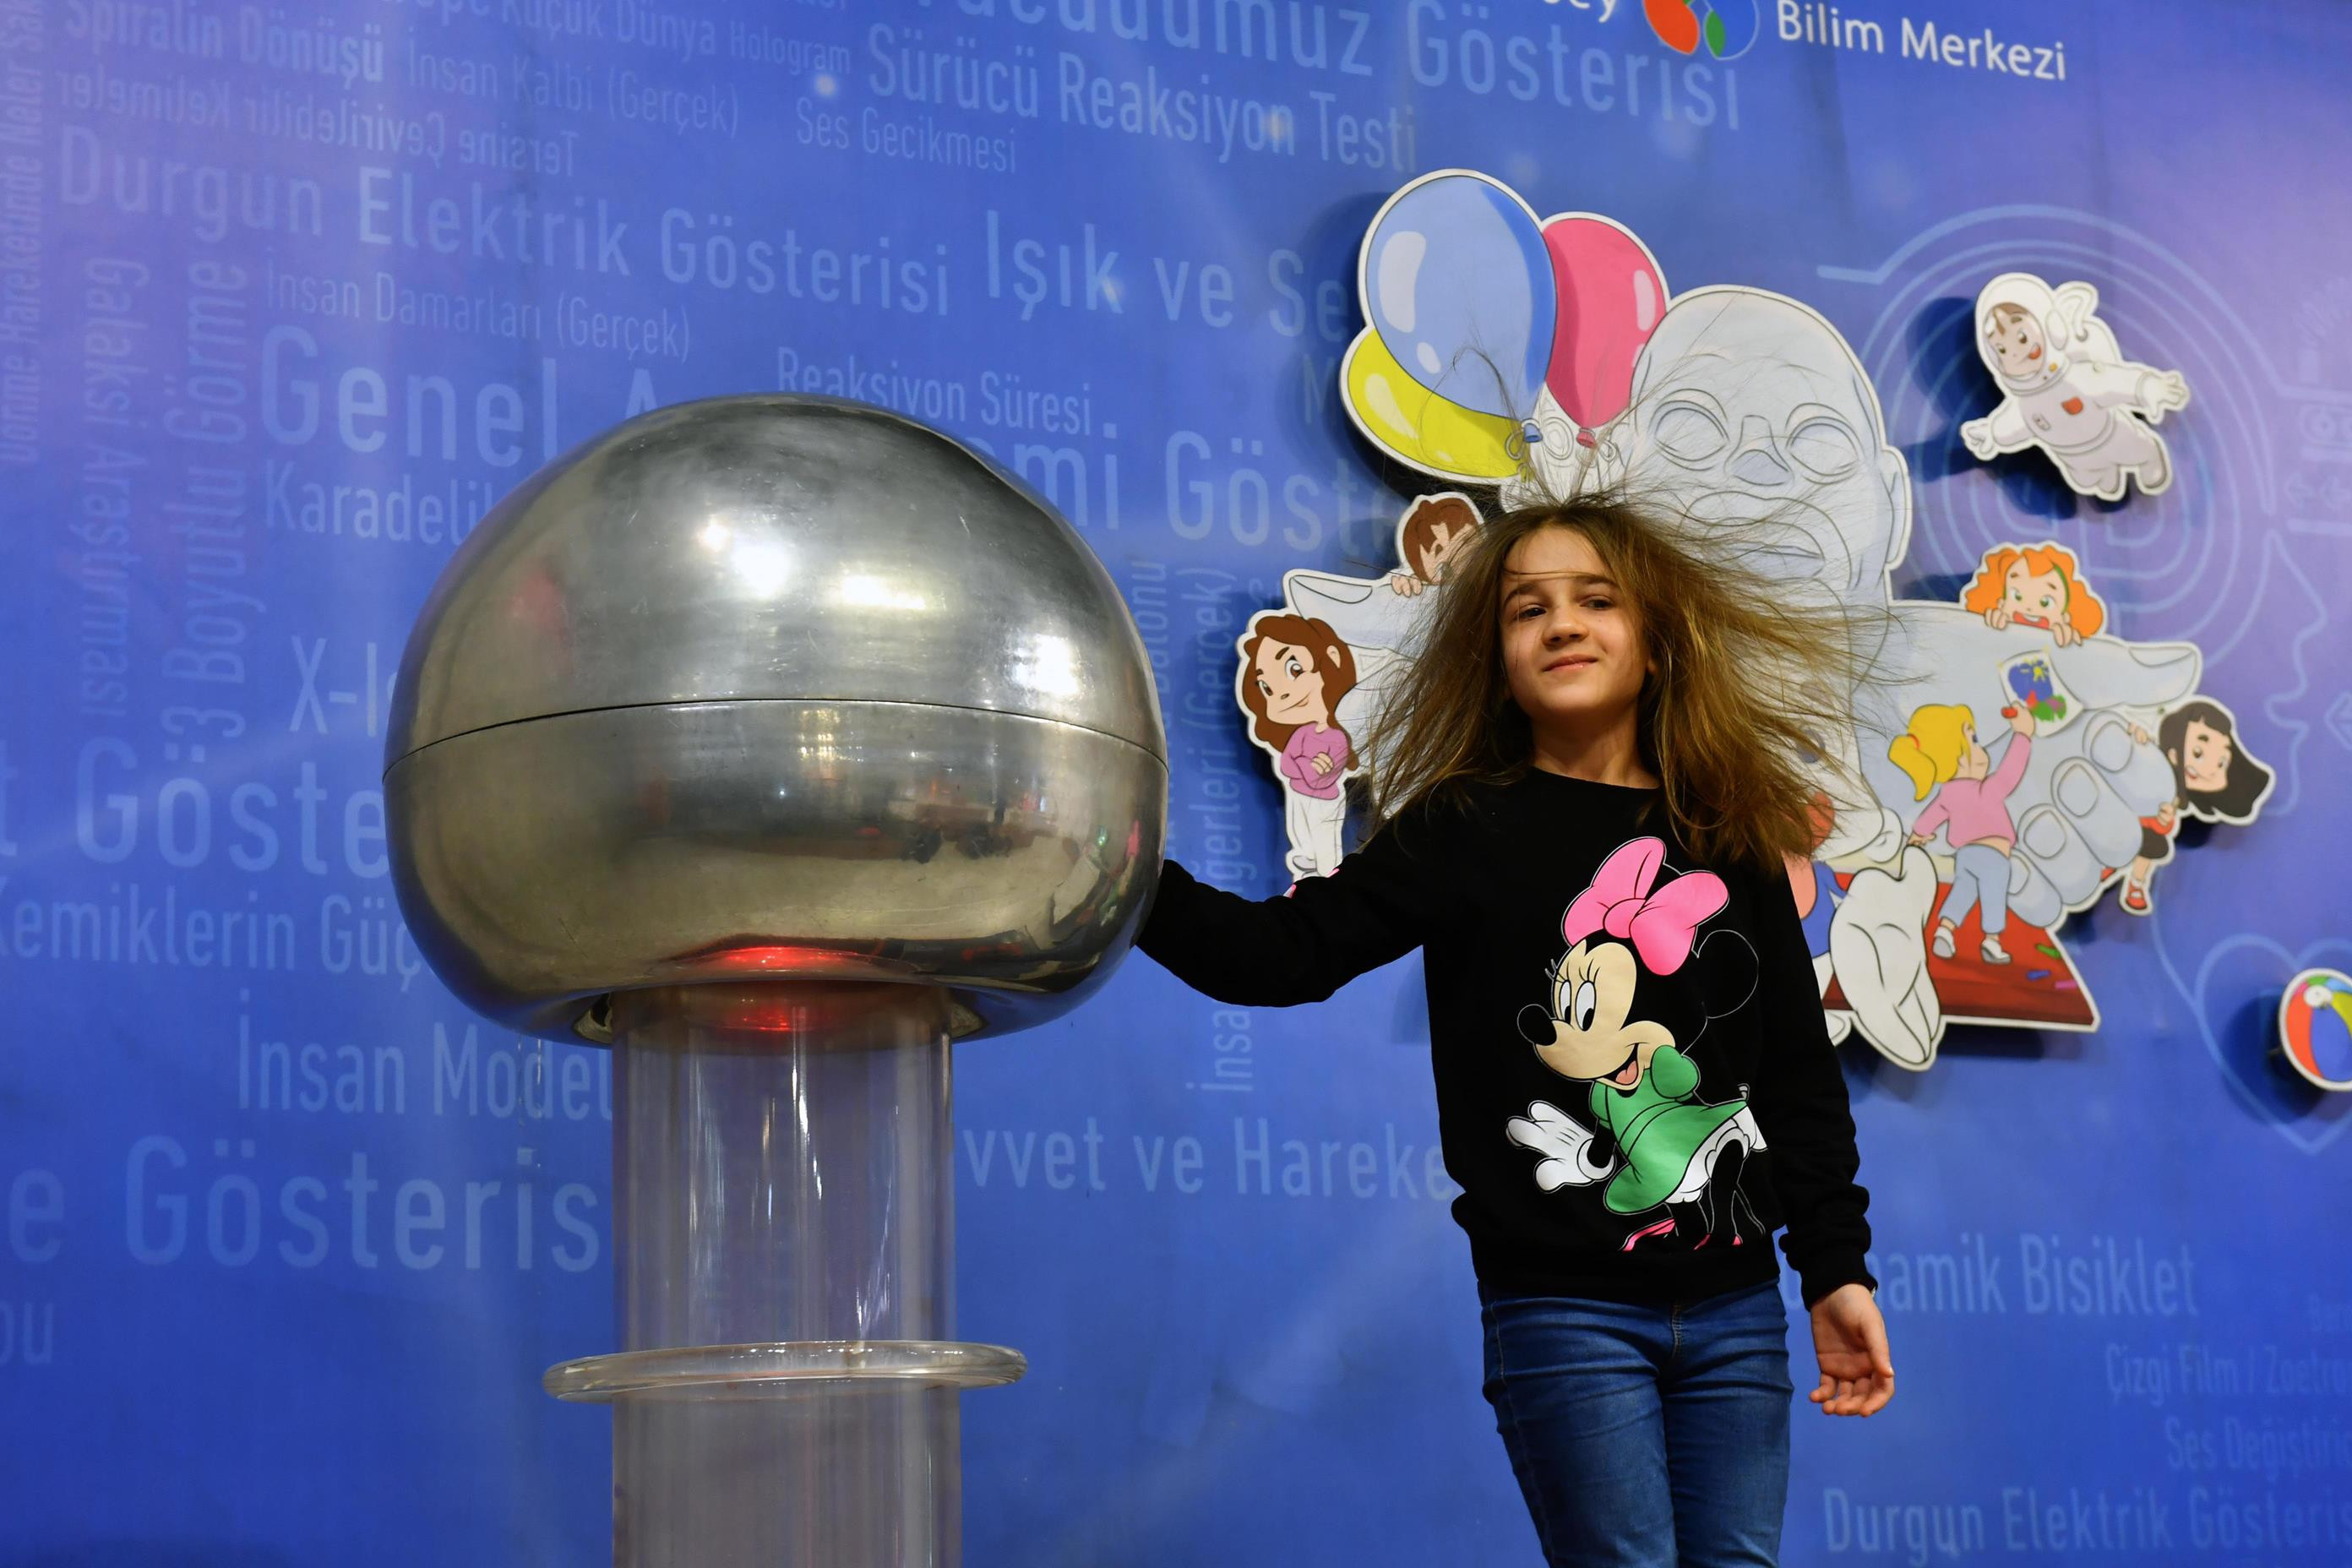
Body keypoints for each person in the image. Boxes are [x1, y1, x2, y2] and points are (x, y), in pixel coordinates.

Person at [1136, 494, 1894, 1568]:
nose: (1563, 623)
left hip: (1737, 1310)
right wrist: (1122, 871)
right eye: (1527, 608)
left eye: (1597, 599)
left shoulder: (1729, 837)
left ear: (1658, 640)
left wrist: (1834, 1268)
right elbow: (1280, 956)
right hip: (1565, 1312)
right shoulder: (1463, 826)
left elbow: (1798, 1082)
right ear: (1496, 660)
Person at [1892, 702, 2036, 966]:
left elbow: (1931, 816)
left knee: (1963, 891)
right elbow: (2009, 774)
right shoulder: (1986, 789)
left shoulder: (1948, 793)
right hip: (1994, 857)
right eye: (1974, 740)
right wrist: (2023, 735)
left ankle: (1945, 930)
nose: (1982, 749)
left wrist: (1918, 835)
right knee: (1994, 893)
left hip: (1966, 856)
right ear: (1957, 756)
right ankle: (1992, 940)